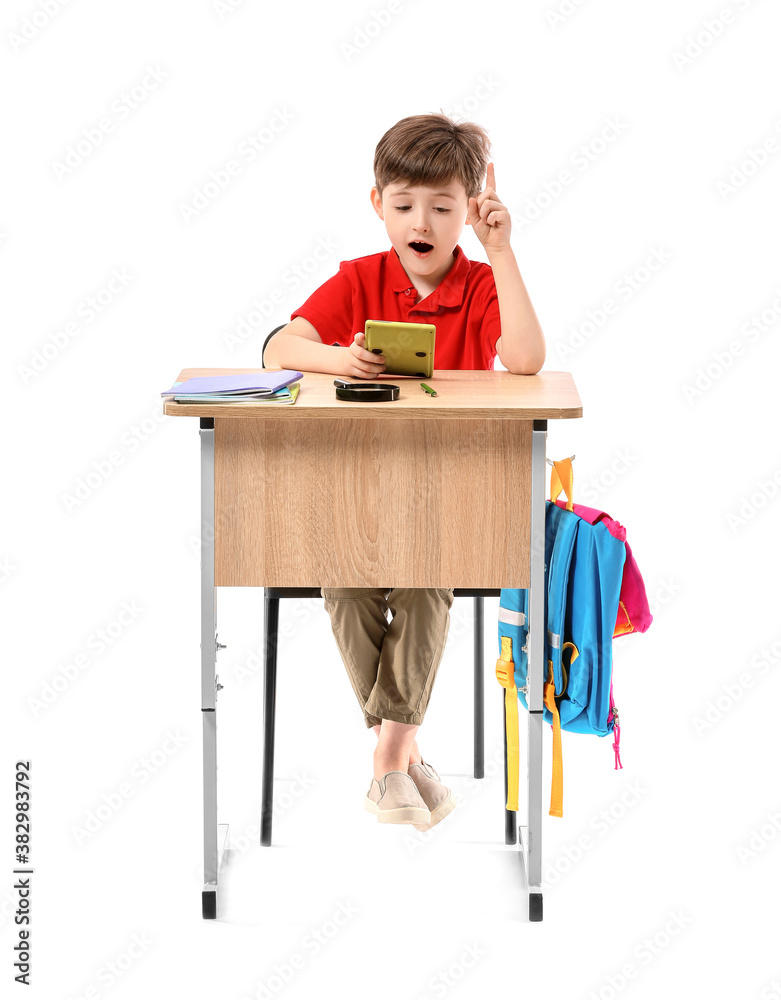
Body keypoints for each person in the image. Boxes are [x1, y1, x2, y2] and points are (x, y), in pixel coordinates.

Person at [263, 112, 545, 831]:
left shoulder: (480, 284)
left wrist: (501, 251)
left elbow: (524, 360)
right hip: (357, 493)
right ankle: (408, 756)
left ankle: (387, 759)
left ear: (466, 213)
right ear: (377, 204)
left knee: (424, 579)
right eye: (404, 204)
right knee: (343, 579)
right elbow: (277, 347)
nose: (421, 220)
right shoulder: (359, 279)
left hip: (447, 494)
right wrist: (340, 358)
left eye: (443, 208)